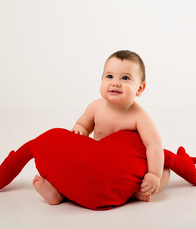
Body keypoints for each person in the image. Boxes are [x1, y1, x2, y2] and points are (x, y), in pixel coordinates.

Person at [32, 50, 171, 205]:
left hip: (123, 174)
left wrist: (154, 174)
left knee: (165, 172)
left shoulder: (140, 117)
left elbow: (154, 146)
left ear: (140, 88)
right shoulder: (95, 107)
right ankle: (57, 193)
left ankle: (138, 191)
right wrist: (80, 131)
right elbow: (82, 125)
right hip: (95, 168)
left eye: (125, 78)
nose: (115, 83)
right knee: (71, 172)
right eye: (109, 76)